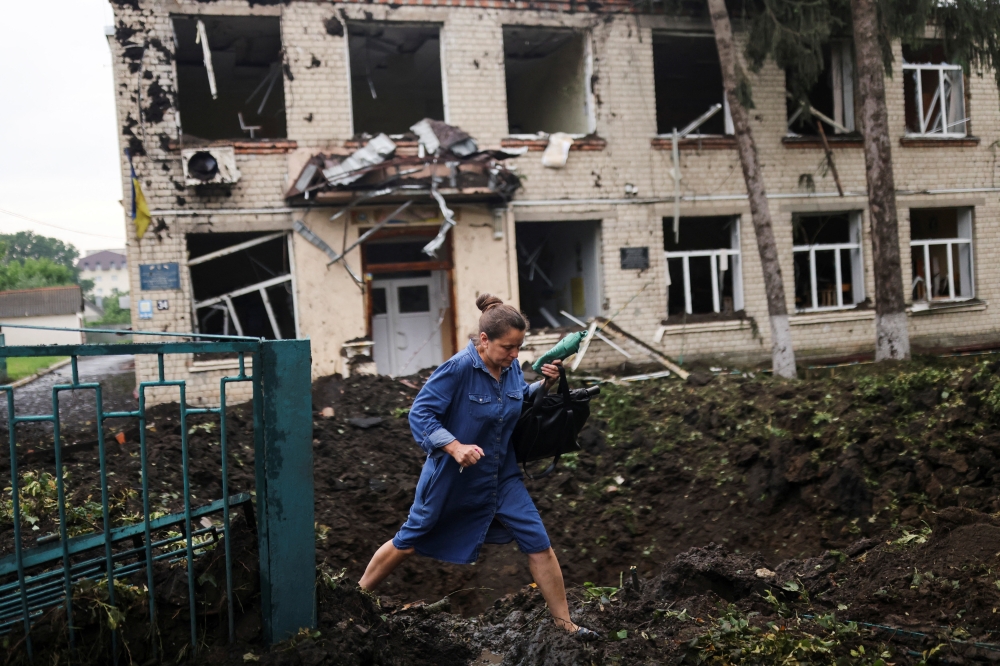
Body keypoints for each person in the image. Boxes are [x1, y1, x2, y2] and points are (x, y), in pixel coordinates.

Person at [359, 293, 599, 640]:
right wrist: (454, 446)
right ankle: (356, 596)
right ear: (484, 340)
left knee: (539, 543)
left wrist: (544, 384)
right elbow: (420, 414)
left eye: (519, 347)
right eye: (507, 348)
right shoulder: (457, 369)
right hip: (451, 477)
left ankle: (565, 624)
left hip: (501, 475)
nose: (515, 356)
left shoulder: (510, 366)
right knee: (410, 539)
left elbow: (516, 400)